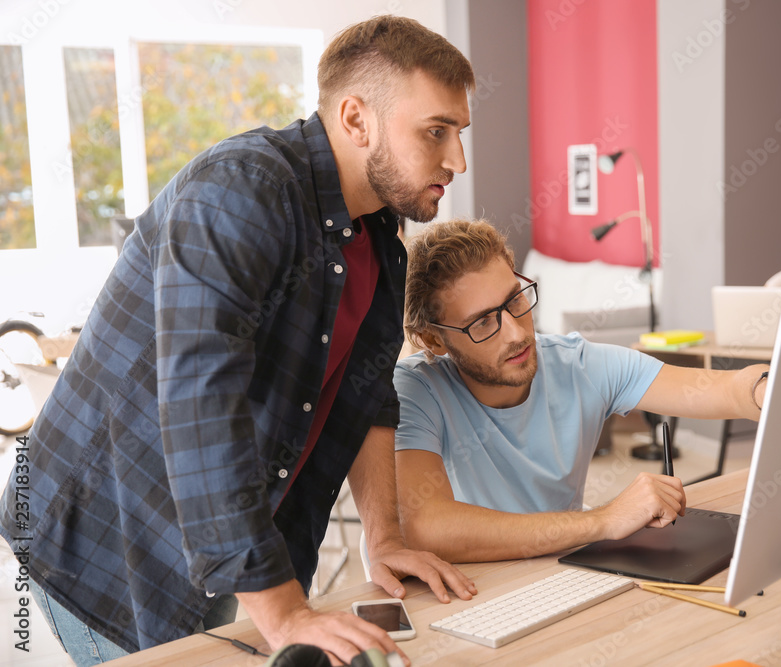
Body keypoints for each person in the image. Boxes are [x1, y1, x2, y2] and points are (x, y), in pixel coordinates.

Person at [0, 15, 478, 665]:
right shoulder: (242, 190)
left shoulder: (379, 239)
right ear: (356, 118)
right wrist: (282, 615)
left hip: (246, 542)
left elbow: (369, 396)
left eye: (459, 132)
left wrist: (383, 536)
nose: (457, 160)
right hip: (109, 551)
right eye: (435, 132)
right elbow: (201, 407)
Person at [393, 219, 770, 563]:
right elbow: (428, 528)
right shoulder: (416, 391)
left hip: (555, 568)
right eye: (483, 322)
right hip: (467, 585)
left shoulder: (578, 365)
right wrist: (604, 520)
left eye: (515, 300)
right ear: (433, 340)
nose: (517, 333)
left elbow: (725, 389)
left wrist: (766, 390)